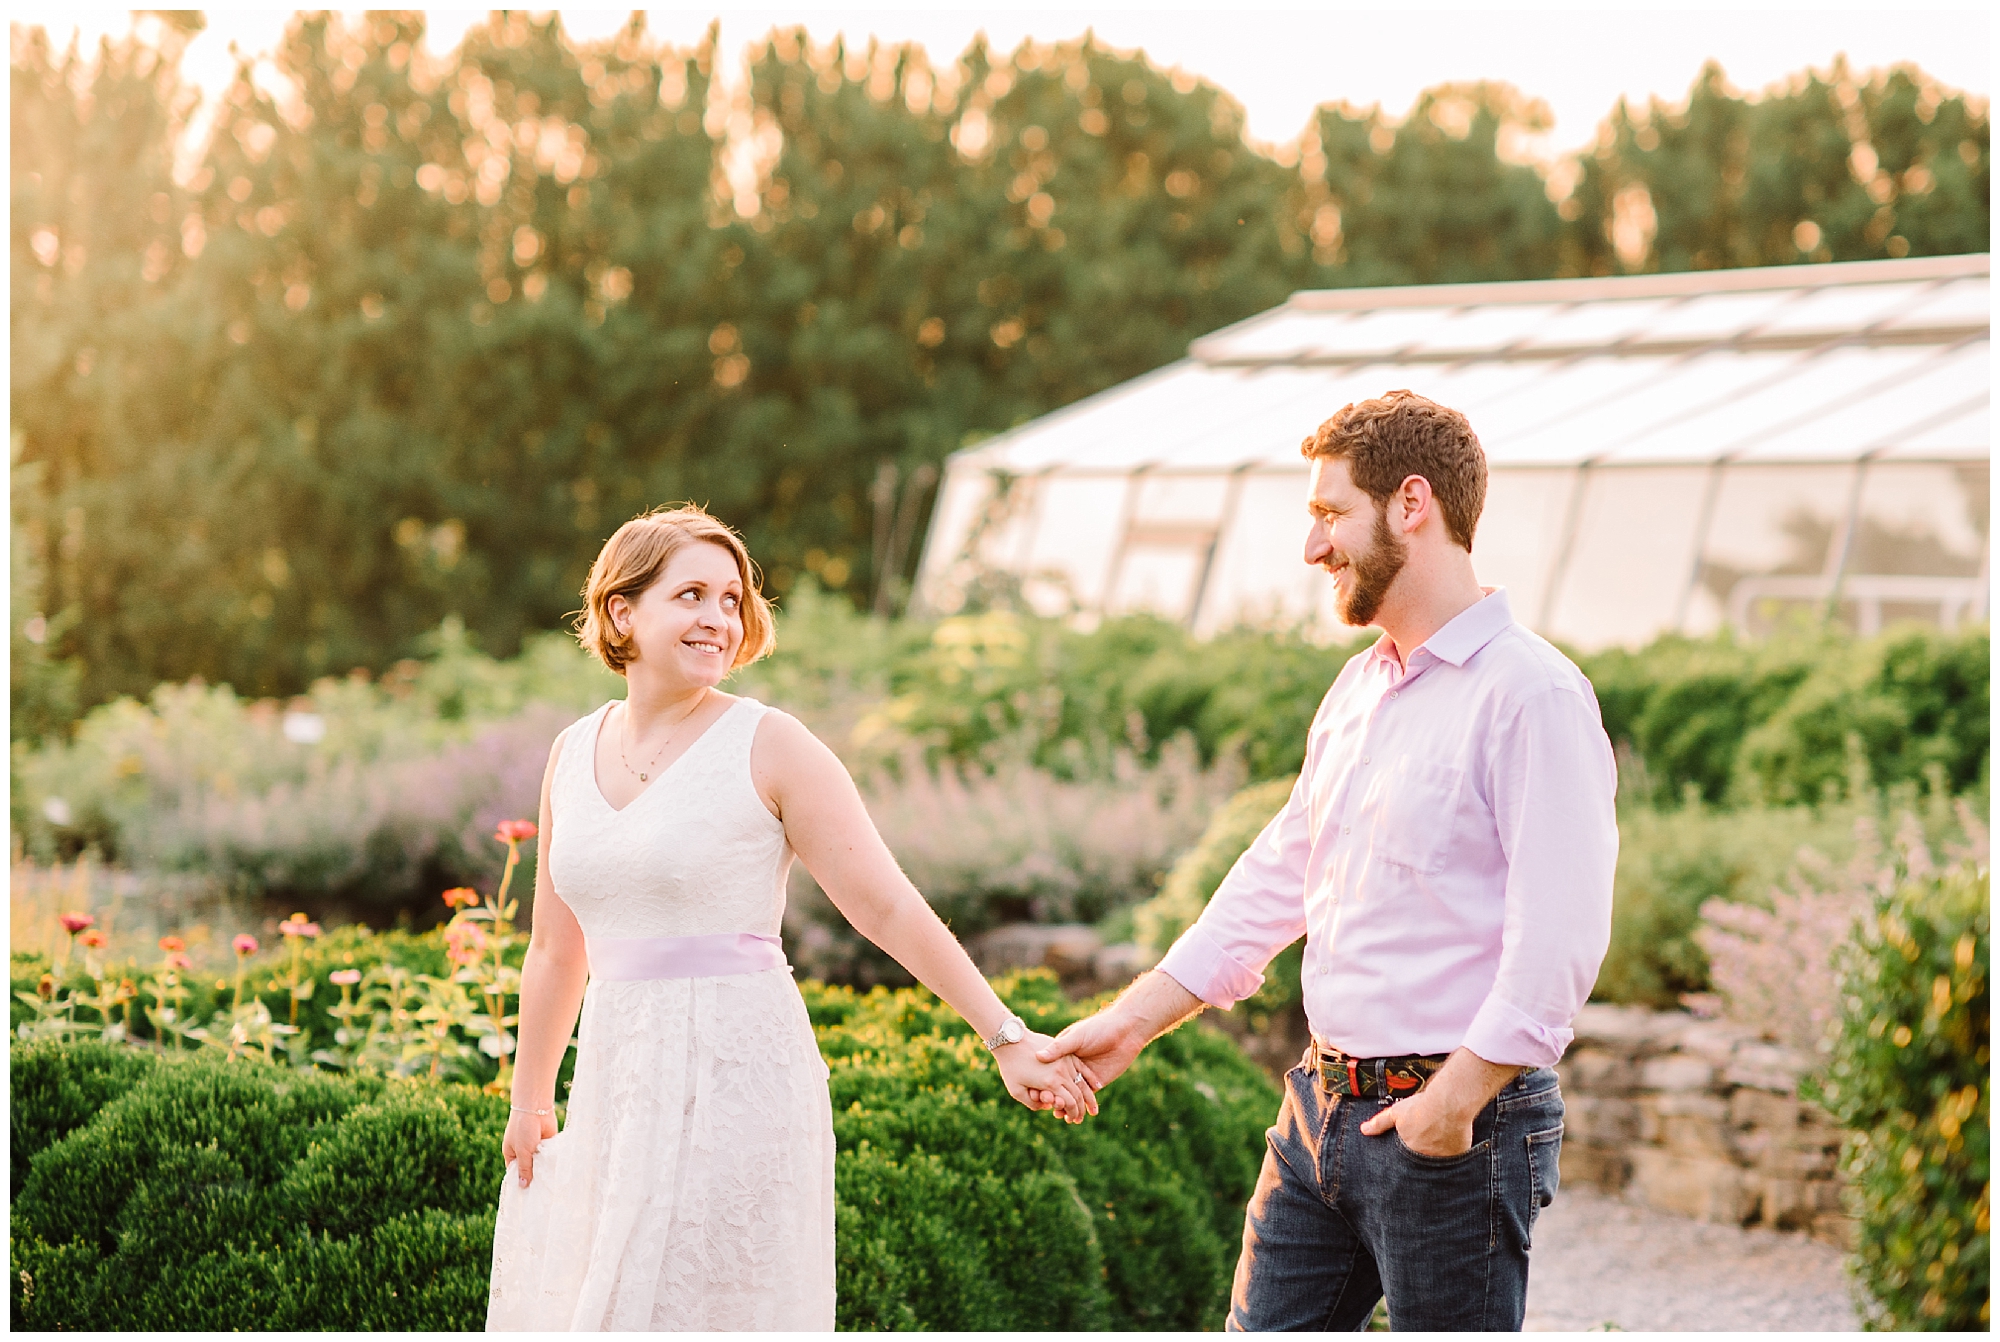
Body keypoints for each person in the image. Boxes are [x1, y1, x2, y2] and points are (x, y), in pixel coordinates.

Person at [1039, 391, 1618, 1331]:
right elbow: (1280, 875)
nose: (1313, 549)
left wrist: (1452, 1104)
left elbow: (1560, 937)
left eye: (1328, 513)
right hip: (1317, 1114)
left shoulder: (1534, 695)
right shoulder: (1359, 686)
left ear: (1411, 504)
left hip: (1449, 1130)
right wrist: (1135, 1021)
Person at [485, 505, 1093, 1332]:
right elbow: (557, 947)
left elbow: (884, 904)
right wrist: (530, 1100)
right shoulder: (570, 750)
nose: (718, 618)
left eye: (732, 599)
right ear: (621, 611)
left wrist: (1006, 1035)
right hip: (617, 1080)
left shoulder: (772, 745)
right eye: (691, 594)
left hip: (739, 1074)